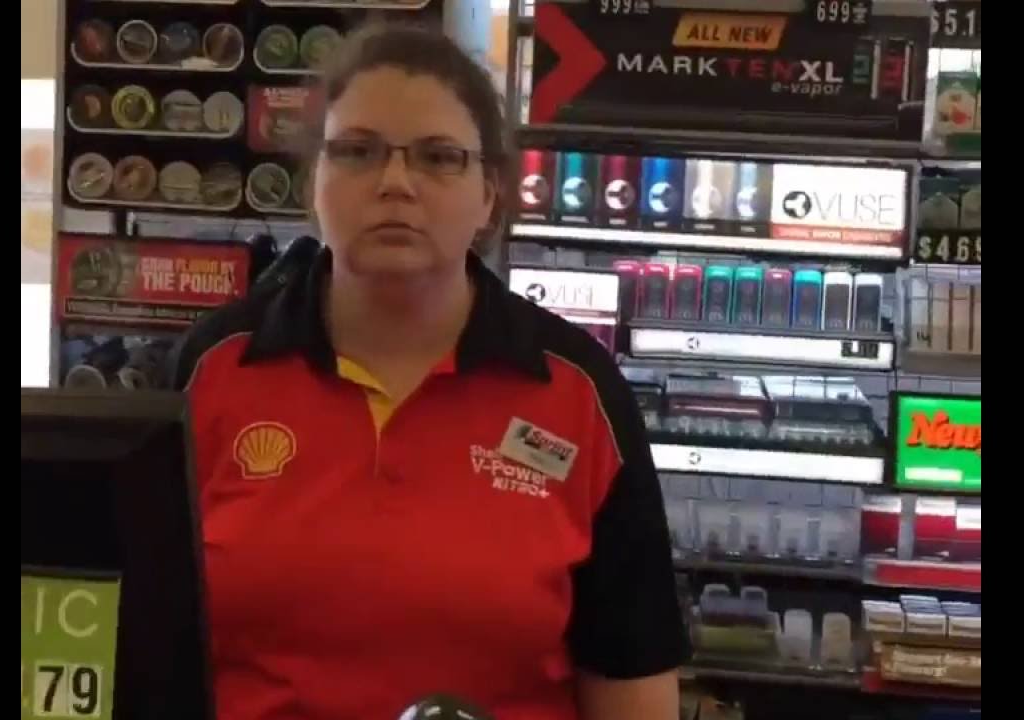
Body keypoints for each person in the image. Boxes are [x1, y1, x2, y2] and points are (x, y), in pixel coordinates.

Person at [168, 23, 690, 720]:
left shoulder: (581, 394)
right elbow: (139, 640)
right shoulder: (211, 369)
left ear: (489, 194)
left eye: (439, 157)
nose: (395, 183)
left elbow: (633, 687)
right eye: (358, 151)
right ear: (313, 181)